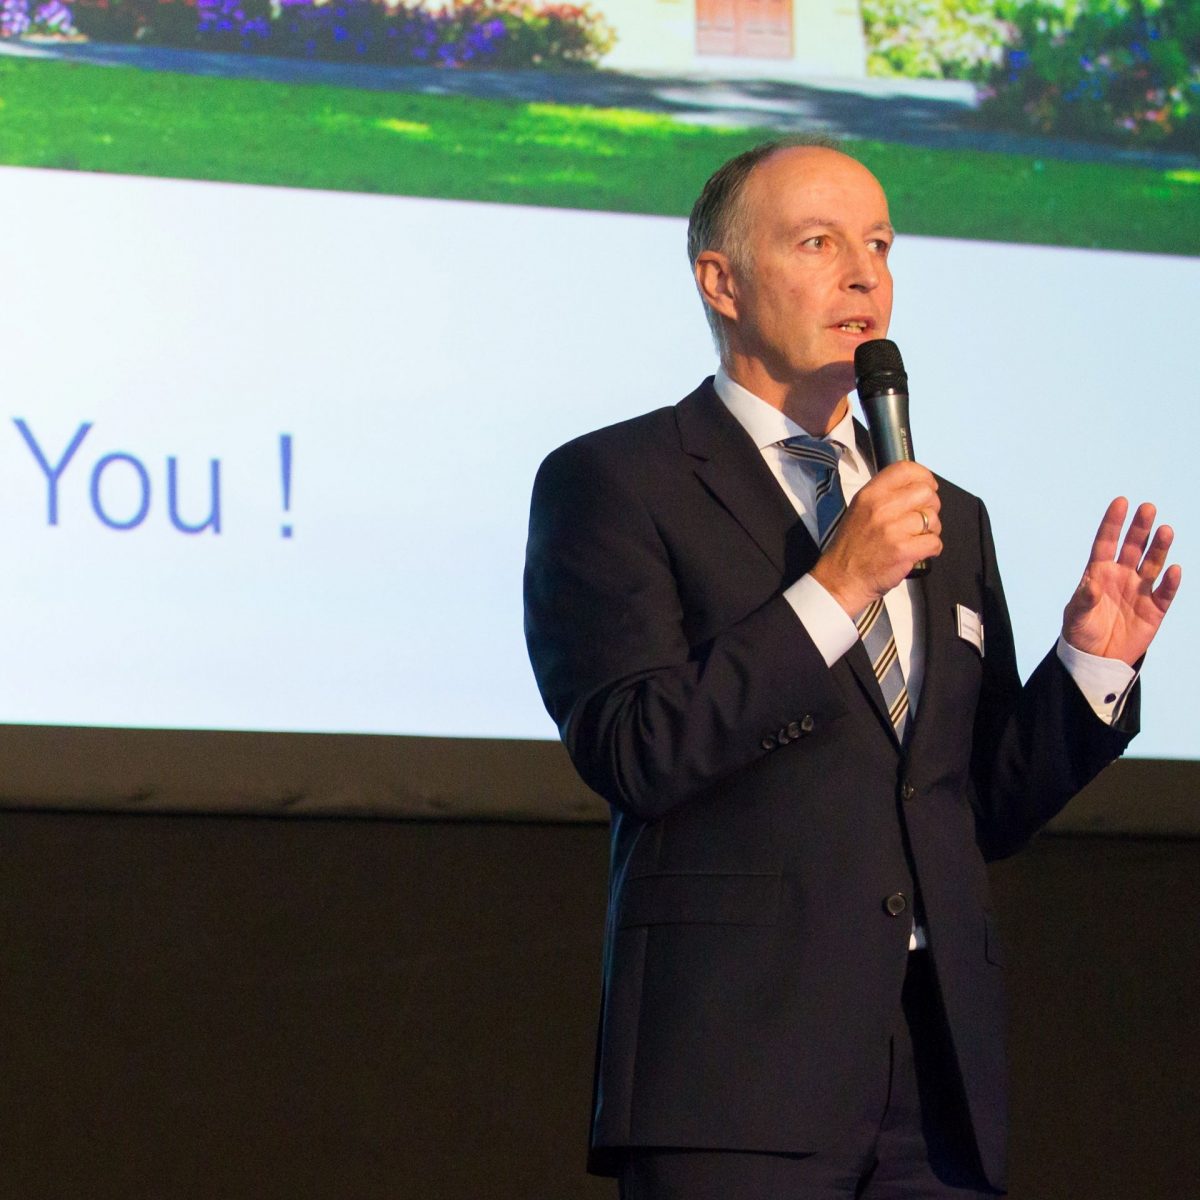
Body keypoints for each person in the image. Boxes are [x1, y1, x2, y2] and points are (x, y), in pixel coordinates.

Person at [522, 139, 1180, 1199]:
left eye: (878, 243)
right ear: (721, 281)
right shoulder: (617, 481)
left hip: (937, 1077)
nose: (864, 274)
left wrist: (1089, 667)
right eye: (818, 242)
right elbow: (637, 750)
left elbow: (972, 808)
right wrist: (836, 587)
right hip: (737, 1073)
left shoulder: (943, 514)